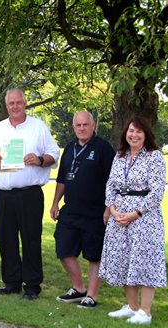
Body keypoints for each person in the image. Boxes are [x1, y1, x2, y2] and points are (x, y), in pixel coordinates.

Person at [0, 88, 60, 300]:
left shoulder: (38, 127)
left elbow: (54, 153)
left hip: (29, 194)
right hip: (3, 194)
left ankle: (32, 285)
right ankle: (11, 282)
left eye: (18, 102)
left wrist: (40, 160)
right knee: (5, 239)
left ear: (25, 104)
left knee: (31, 238)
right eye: (11, 103)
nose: (15, 106)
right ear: (6, 106)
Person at [99, 117, 166, 325]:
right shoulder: (120, 156)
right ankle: (132, 307)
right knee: (123, 259)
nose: (134, 135)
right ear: (125, 133)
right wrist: (112, 208)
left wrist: (136, 213)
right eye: (130, 131)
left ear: (146, 134)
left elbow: (157, 191)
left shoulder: (154, 157)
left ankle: (145, 312)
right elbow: (110, 184)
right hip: (119, 216)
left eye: (138, 131)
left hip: (144, 218)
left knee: (145, 261)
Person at [50, 111, 115, 308]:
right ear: (73, 128)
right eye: (78, 125)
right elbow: (62, 179)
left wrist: (108, 209)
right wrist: (55, 203)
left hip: (95, 212)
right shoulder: (69, 148)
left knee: (94, 255)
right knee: (63, 249)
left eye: (86, 124)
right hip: (70, 210)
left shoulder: (103, 148)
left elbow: (113, 183)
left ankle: (92, 296)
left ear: (93, 126)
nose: (82, 128)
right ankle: (79, 289)